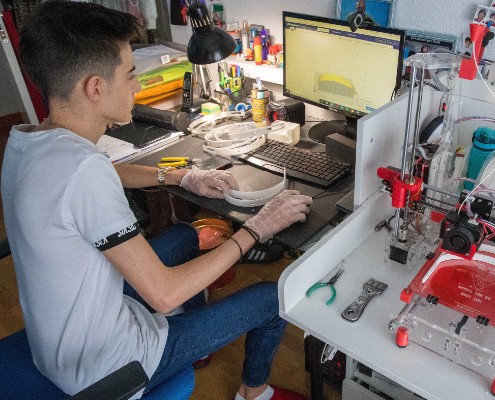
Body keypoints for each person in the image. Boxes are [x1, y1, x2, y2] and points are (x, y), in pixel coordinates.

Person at [1, 2, 312, 400]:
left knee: (185, 237)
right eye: (130, 76)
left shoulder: (28, 140)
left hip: (61, 344)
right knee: (272, 297)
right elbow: (162, 294)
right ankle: (254, 393)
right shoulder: (81, 169)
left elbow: (99, 176)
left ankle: (195, 342)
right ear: (95, 88)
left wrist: (183, 176)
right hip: (108, 366)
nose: (137, 87)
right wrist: (257, 229)